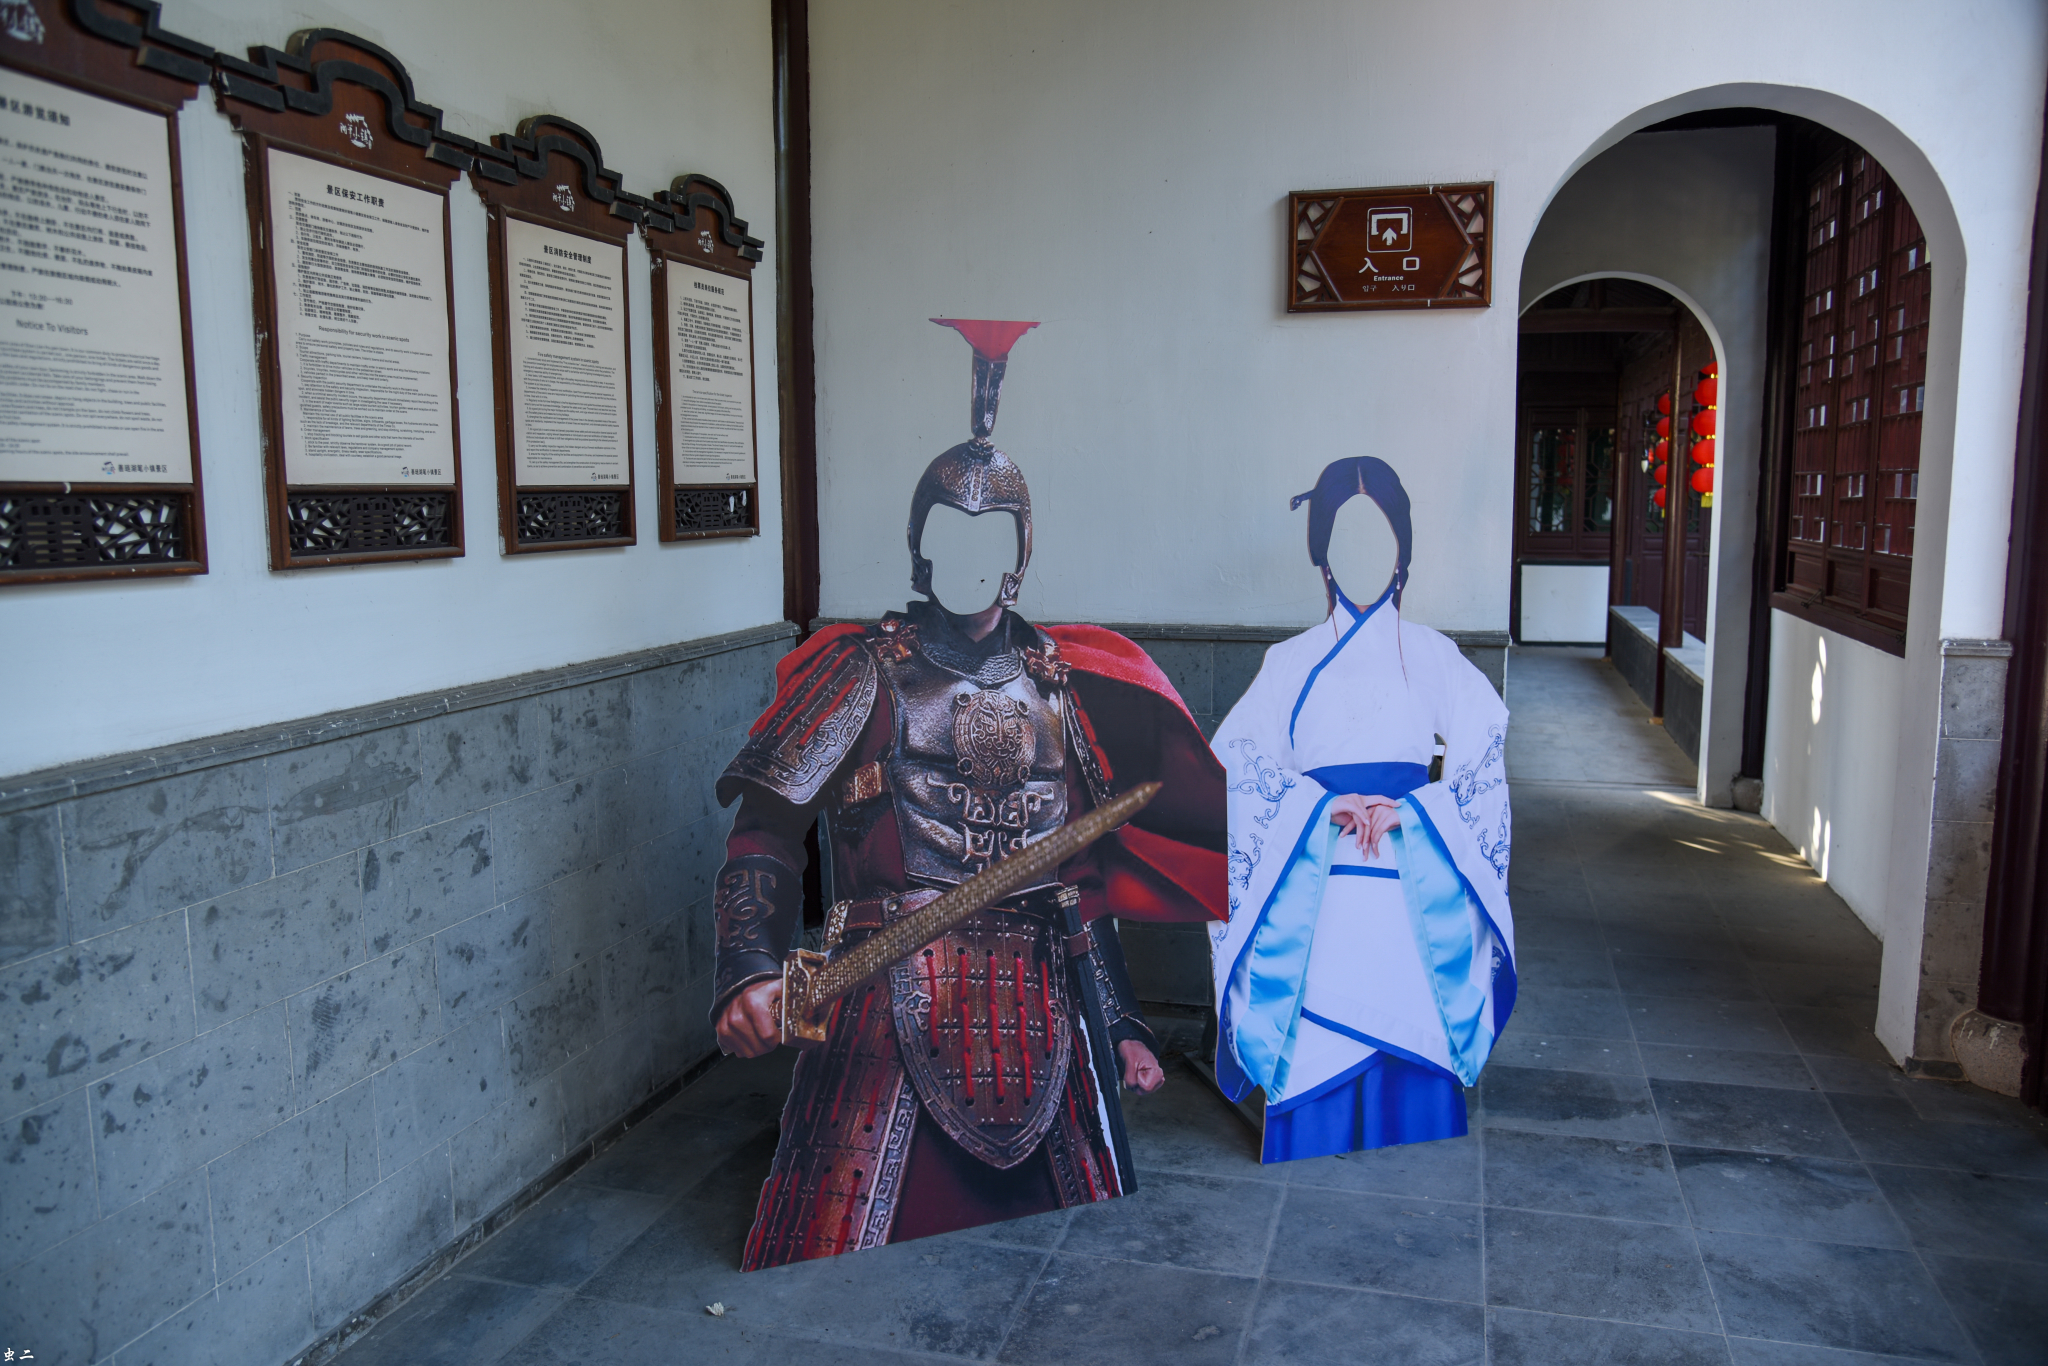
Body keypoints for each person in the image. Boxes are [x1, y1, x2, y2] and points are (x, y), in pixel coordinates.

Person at [712, 319, 1226, 1268]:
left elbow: (1078, 875)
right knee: (835, 1246)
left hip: (1043, 990)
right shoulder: (863, 672)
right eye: (950, 533)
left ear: (1020, 551)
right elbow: (766, 833)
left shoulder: (1059, 685)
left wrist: (1117, 1023)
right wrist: (750, 965)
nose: (969, 553)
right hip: (885, 986)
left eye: (990, 534)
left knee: (1076, 1259)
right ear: (918, 547)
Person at [1208, 456, 1515, 1163]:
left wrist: (1420, 812)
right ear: (1321, 555)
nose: (1364, 557)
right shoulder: (1289, 663)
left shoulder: (1434, 656)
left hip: (1415, 865)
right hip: (1314, 874)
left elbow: (1482, 762)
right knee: (1317, 1028)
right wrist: (1317, 806)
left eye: (1380, 538)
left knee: (1412, 1018)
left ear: (1404, 550)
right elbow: (1239, 771)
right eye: (1345, 539)